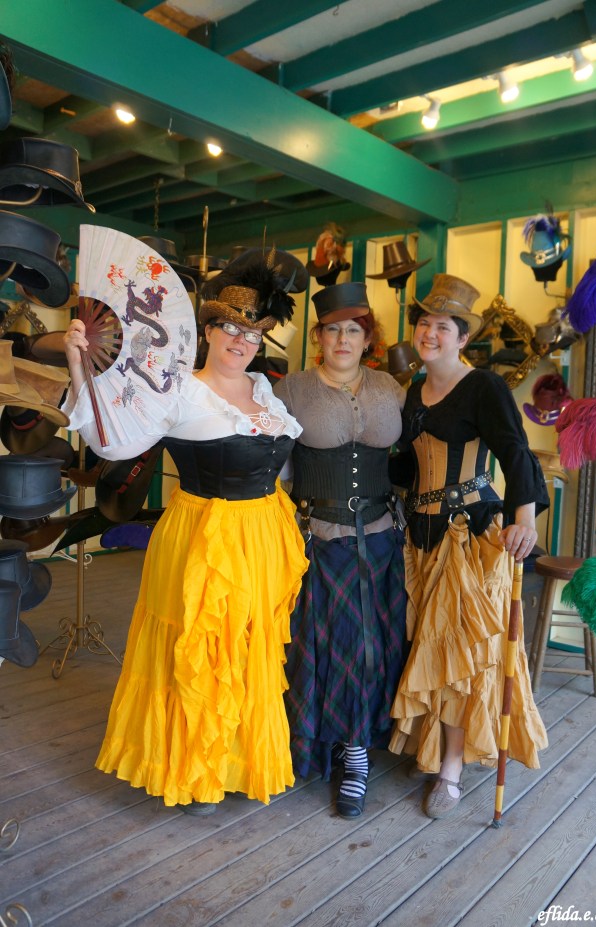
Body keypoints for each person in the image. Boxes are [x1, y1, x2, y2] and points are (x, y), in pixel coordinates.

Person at [62, 253, 309, 814]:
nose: (240, 341)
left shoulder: (266, 393)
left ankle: (238, 759)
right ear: (208, 330)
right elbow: (111, 443)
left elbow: (283, 465)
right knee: (196, 648)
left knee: (247, 649)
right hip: (201, 536)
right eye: (229, 327)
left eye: (252, 332)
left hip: (263, 535)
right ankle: (193, 769)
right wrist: (80, 367)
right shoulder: (177, 391)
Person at [388, 273, 549, 819]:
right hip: (419, 535)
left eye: (442, 327)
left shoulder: (484, 387)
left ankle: (451, 772)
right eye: (424, 324)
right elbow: (405, 467)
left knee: (458, 654)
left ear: (462, 338)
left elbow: (516, 452)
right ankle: (427, 746)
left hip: (469, 533)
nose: (430, 333)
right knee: (423, 645)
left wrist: (523, 517)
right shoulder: (412, 389)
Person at [274, 282, 408, 818]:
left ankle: (355, 746)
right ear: (319, 336)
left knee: (375, 644)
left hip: (381, 538)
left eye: (354, 329)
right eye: (333, 329)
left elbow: (420, 452)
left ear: (367, 337)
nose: (343, 338)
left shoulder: (392, 389)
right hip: (318, 539)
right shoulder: (292, 392)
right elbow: (277, 466)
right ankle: (339, 749)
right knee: (328, 645)